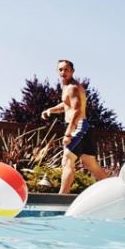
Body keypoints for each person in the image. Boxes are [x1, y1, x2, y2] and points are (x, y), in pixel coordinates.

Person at [40, 59, 113, 194]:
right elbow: (67, 105)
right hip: (83, 126)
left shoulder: (73, 87)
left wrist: (68, 133)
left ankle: (61, 198)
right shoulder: (68, 88)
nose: (63, 72)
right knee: (90, 164)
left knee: (67, 161)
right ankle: (114, 190)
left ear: (72, 71)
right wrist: (51, 110)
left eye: (66, 69)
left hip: (78, 126)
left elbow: (77, 110)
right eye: (60, 69)